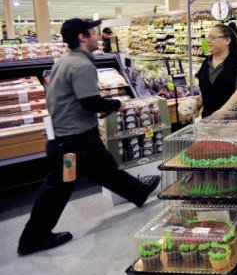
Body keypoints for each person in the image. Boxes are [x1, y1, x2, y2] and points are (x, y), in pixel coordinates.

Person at [17, 18, 160, 256]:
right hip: (71, 140)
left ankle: (137, 191)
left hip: (76, 133)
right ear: (83, 37)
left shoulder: (66, 60)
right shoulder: (81, 65)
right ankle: (33, 239)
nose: (97, 37)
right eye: (93, 33)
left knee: (104, 169)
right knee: (57, 188)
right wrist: (117, 104)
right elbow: (90, 102)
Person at [197, 24, 237, 117]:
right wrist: (197, 103)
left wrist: (222, 112)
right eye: (208, 37)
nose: (207, 41)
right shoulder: (206, 62)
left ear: (227, 40)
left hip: (234, 120)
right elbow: (208, 87)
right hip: (208, 118)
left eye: (213, 37)